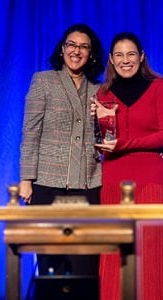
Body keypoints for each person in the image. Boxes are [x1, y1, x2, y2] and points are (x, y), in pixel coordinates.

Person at [92, 32, 163, 300]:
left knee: (150, 250)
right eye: (119, 54)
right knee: (113, 251)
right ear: (111, 59)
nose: (125, 60)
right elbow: (105, 140)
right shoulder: (103, 92)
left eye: (131, 54)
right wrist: (97, 125)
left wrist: (124, 144)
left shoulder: (159, 86)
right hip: (113, 178)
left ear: (141, 57)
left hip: (150, 178)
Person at [19, 23, 104, 277]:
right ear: (62, 49)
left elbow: (109, 135)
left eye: (83, 46)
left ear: (91, 53)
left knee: (86, 265)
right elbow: (31, 132)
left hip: (88, 185)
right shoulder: (43, 81)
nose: (76, 51)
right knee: (50, 264)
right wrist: (26, 179)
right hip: (47, 184)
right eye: (71, 44)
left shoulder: (100, 89)